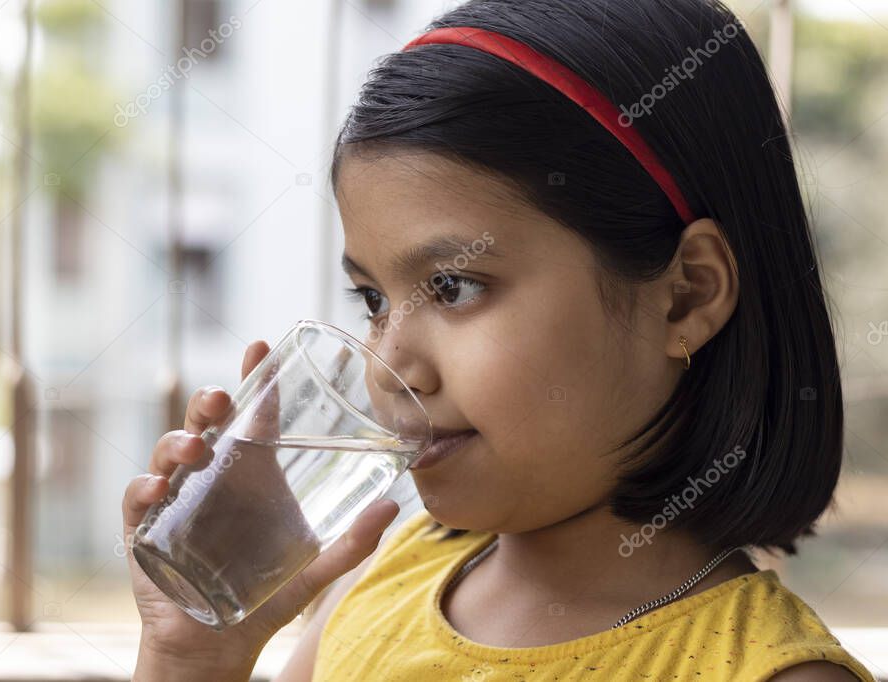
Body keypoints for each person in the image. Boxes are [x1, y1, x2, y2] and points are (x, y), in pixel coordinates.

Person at [121, 0, 879, 679]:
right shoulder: (373, 584)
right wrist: (192, 659)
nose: (391, 368)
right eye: (372, 299)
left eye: (454, 288)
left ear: (685, 297)